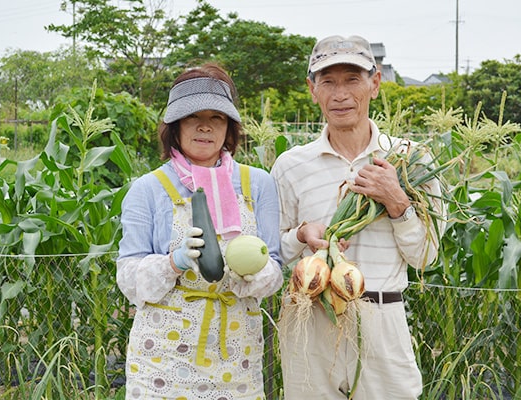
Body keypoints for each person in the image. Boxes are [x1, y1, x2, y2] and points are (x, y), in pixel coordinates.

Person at [271, 35, 445, 399]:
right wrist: (302, 235)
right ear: (312, 90)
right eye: (328, 82)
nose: (340, 94)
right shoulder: (291, 166)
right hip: (310, 319)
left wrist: (396, 200)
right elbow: (273, 253)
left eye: (352, 79)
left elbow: (426, 257)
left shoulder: (411, 160)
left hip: (381, 318)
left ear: (375, 83)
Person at [116, 63, 283, 400]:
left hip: (237, 356)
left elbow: (276, 266)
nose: (205, 126)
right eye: (193, 117)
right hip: (162, 359)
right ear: (174, 126)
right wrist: (172, 263)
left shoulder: (259, 184)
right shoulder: (148, 189)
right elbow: (128, 278)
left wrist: (254, 275)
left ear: (230, 128)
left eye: (217, 118)